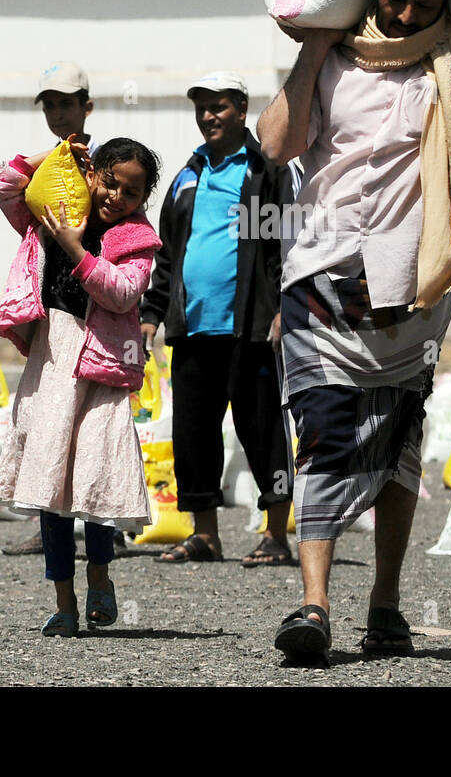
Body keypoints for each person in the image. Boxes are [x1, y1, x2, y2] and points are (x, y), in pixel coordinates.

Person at [257, 0, 451, 664]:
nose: (401, 12)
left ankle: (386, 603)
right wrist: (314, 46)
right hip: (319, 274)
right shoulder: (332, 54)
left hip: (410, 285)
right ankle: (314, 605)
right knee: (321, 432)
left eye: (418, 4)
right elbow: (279, 145)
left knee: (397, 440)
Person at [0, 136, 163, 637]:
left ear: (142, 201)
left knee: (95, 477)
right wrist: (55, 153)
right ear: (92, 173)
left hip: (101, 371)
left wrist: (75, 250)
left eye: (131, 192)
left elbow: (123, 292)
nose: (116, 197)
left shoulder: (136, 239)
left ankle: (100, 577)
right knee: (50, 483)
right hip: (52, 362)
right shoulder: (55, 209)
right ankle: (64, 602)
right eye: (109, 181)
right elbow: (4, 183)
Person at [139, 71, 295, 567]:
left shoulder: (263, 172)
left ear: (242, 110)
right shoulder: (190, 174)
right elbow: (168, 253)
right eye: (202, 107)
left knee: (263, 430)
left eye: (219, 106)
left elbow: (283, 248)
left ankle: (275, 534)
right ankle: (205, 534)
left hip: (249, 329)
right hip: (192, 329)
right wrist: (152, 312)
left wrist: (281, 309)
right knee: (193, 435)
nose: (208, 116)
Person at [4, 59, 99, 557]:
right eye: (51, 105)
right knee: (46, 422)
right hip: (53, 314)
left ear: (88, 105)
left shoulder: (107, 166)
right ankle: (53, 531)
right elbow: (2, 183)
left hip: (98, 313)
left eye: (68, 103)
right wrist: (54, 153)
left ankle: (103, 532)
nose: (59, 113)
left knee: (93, 428)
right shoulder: (42, 173)